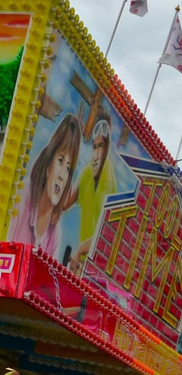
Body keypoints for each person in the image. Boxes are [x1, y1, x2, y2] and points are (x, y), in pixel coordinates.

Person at [9, 113, 81, 257]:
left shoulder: (55, 234)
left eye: (68, 168)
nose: (62, 175)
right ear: (49, 164)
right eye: (60, 161)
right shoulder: (22, 197)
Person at [60, 109, 116, 274]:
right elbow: (65, 203)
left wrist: (79, 251)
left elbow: (104, 233)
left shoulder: (109, 176)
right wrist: (73, 142)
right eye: (95, 147)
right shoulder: (86, 172)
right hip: (80, 265)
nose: (97, 154)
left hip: (94, 270)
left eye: (101, 147)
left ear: (107, 147)